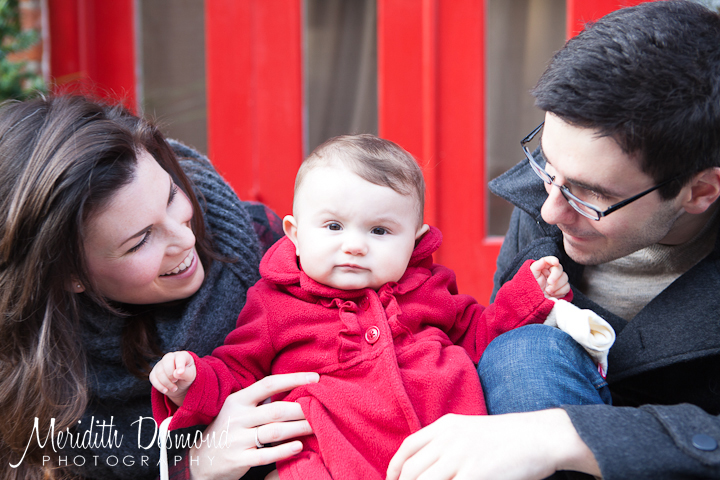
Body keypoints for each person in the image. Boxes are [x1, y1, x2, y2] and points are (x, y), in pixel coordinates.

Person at [386, 1, 720, 479]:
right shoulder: (552, 194)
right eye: (546, 165)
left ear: (700, 191)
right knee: (523, 350)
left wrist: (572, 435)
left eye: (592, 194)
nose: (549, 211)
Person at [149, 134, 573, 480]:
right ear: (295, 233)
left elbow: (480, 333)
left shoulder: (428, 287)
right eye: (333, 226)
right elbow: (239, 371)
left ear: (414, 239)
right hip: (332, 461)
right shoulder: (274, 303)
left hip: (447, 453)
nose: (354, 245)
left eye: (380, 230)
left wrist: (530, 294)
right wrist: (192, 381)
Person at [0, 94, 319, 480]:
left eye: (170, 197)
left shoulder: (264, 244)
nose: (186, 239)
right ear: (70, 275)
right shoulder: (30, 380)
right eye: (140, 241)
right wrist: (195, 469)